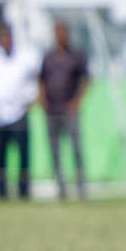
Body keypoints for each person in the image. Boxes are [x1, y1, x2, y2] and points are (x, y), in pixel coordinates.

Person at [0, 24, 42, 201]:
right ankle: (1, 190)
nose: (6, 40)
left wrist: (31, 99)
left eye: (8, 37)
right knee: (0, 155)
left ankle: (23, 190)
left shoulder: (26, 55)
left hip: (19, 114)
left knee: (23, 155)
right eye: (3, 37)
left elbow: (38, 77)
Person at [39, 21, 91, 201]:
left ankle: (81, 188)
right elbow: (41, 80)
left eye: (63, 32)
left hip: (69, 111)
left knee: (76, 149)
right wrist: (41, 99)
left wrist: (76, 102)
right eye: (57, 32)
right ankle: (61, 188)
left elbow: (86, 80)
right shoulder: (47, 57)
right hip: (51, 111)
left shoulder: (76, 56)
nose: (60, 35)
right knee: (54, 151)